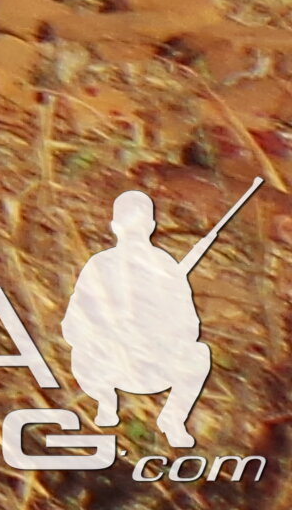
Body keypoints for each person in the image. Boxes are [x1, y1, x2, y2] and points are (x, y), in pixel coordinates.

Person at [65, 186, 221, 447]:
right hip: (107, 364)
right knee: (81, 355)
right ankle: (106, 404)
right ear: (115, 226)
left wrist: (157, 329)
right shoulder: (99, 265)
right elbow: (74, 323)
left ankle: (173, 419)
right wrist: (109, 332)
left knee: (199, 355)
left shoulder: (165, 267)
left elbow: (189, 326)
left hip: (154, 365)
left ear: (150, 226)